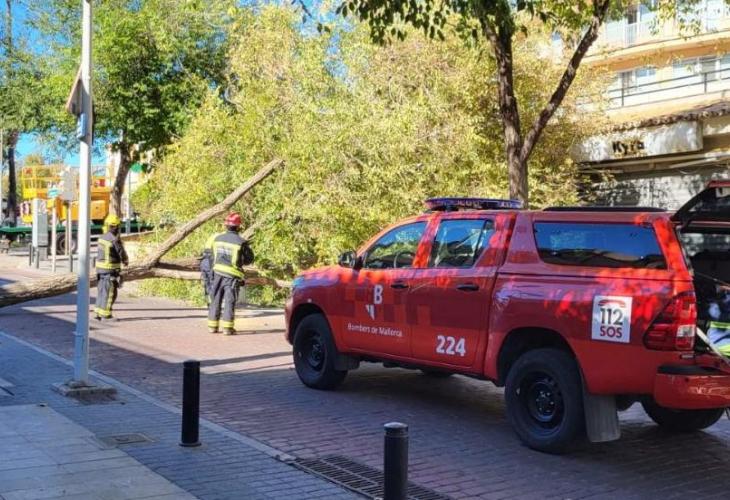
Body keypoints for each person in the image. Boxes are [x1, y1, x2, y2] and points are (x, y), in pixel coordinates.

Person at [203, 212, 254, 335]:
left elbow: (212, 256)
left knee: (215, 298)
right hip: (232, 275)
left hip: (217, 273)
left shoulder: (217, 239)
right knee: (229, 300)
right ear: (238, 226)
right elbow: (249, 259)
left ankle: (212, 326)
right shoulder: (241, 242)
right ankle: (227, 328)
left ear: (226, 225)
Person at [94, 214, 129, 321]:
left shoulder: (102, 238)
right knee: (110, 293)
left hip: (100, 270)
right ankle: (106, 315)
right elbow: (121, 252)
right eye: (118, 226)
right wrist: (125, 260)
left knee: (101, 292)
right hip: (110, 270)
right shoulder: (114, 239)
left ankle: (98, 313)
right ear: (116, 226)